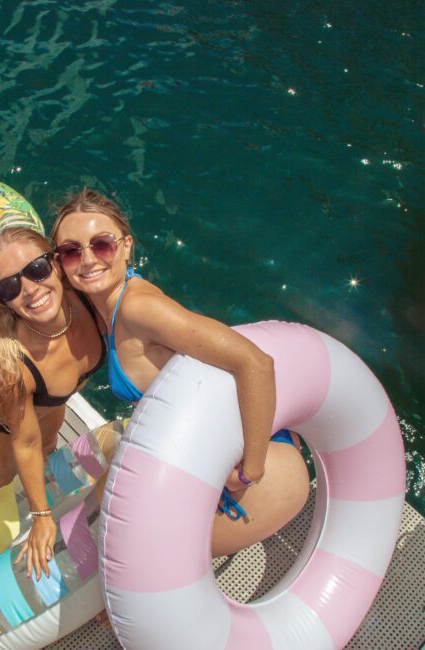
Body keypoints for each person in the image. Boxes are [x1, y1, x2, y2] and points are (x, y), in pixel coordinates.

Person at [51, 188, 309, 556]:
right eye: (71, 251)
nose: (88, 259)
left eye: (102, 245)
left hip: (259, 469)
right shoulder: (103, 306)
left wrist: (248, 472)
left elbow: (255, 362)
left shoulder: (139, 308)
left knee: (141, 564)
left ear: (126, 246)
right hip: (209, 454)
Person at [0, 226, 106, 578]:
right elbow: (23, 441)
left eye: (37, 269)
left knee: (49, 448)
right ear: (1, 300)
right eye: (9, 286)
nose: (29, 289)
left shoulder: (86, 297)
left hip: (48, 404)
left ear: (56, 263)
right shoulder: (14, 363)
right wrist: (41, 518)